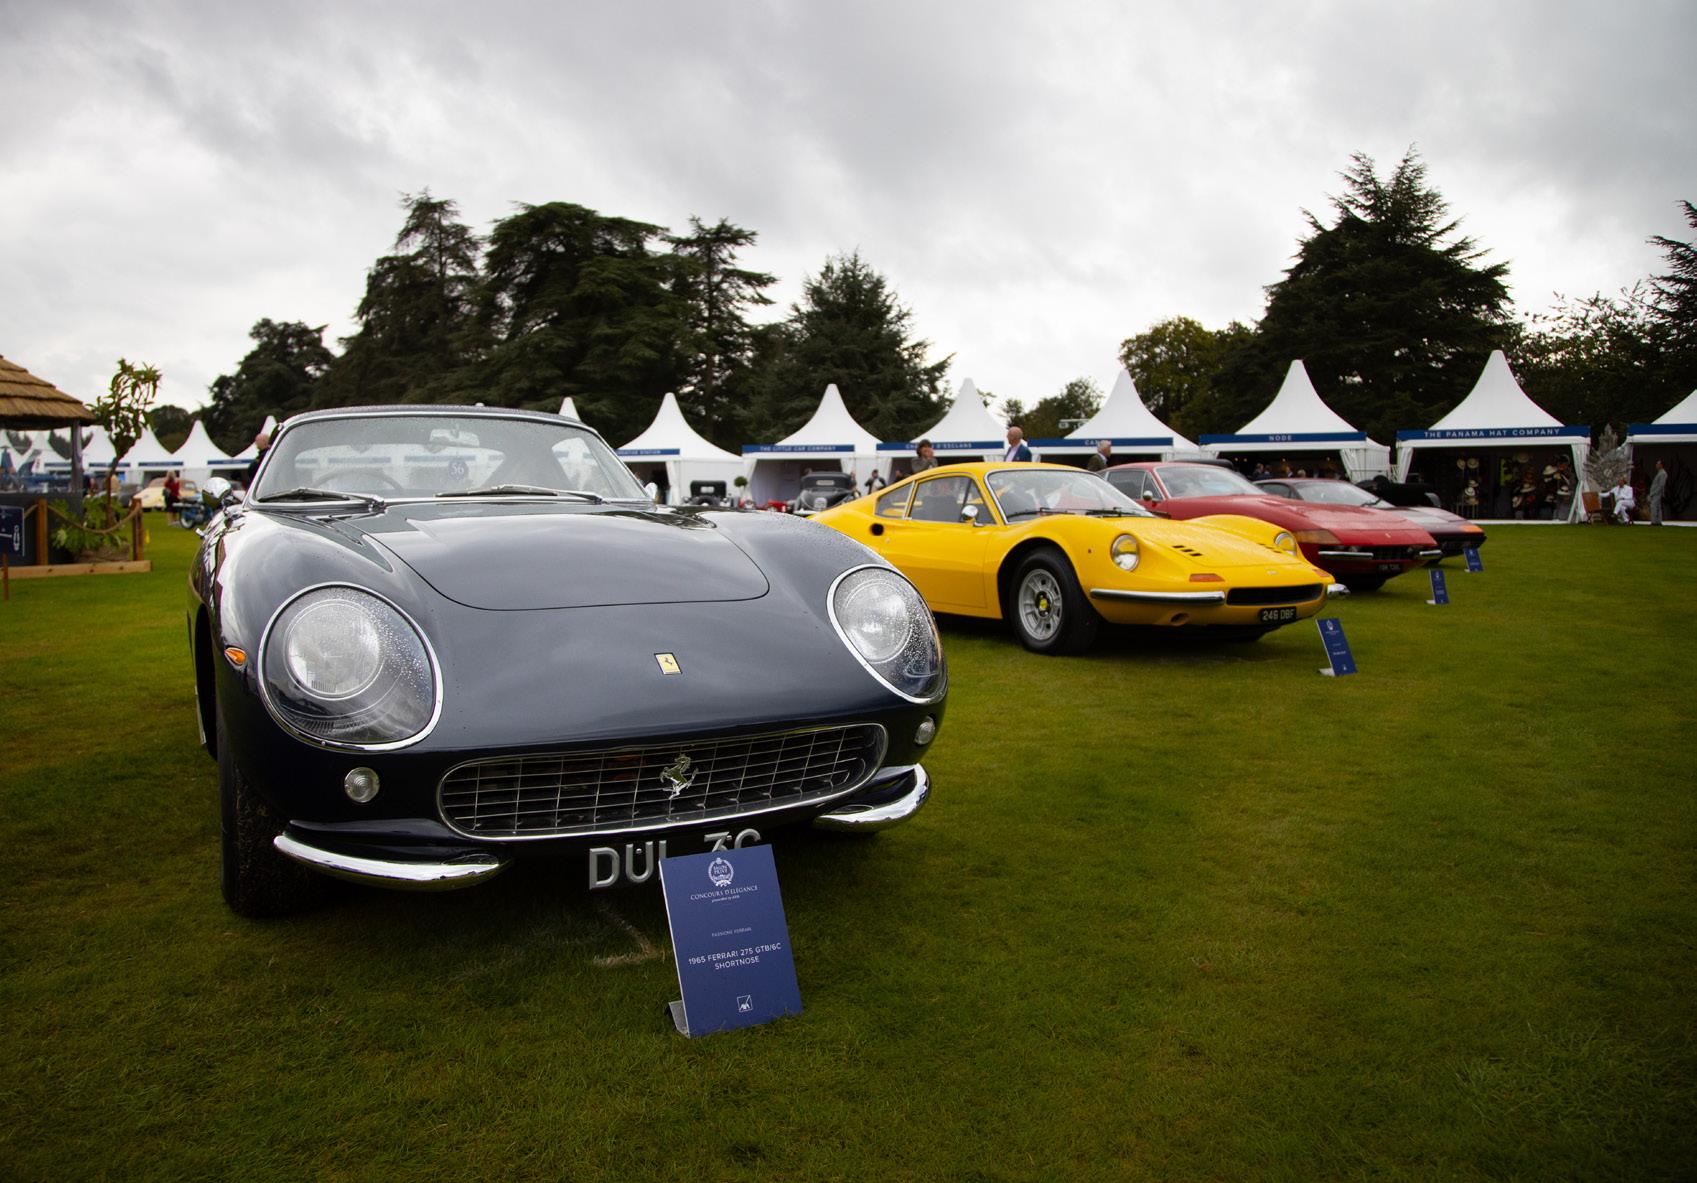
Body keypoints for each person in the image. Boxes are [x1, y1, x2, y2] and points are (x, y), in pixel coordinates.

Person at [1649, 460, 1668, 526]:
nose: (1656, 465)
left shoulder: (1663, 473)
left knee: (1654, 507)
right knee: (1657, 507)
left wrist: (1654, 492)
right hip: (1656, 492)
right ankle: (1658, 521)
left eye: (1658, 464)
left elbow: (1661, 485)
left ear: (1661, 465)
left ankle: (1654, 521)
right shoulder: (1660, 473)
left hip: (1657, 493)